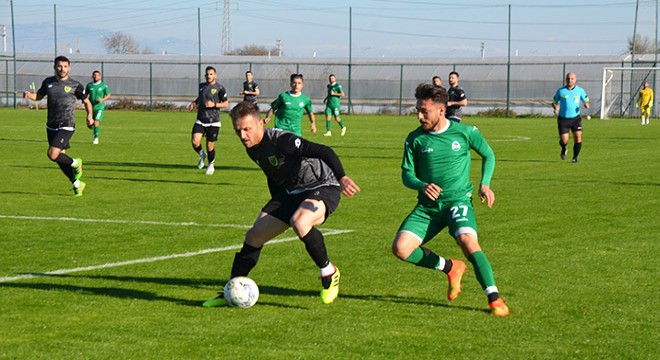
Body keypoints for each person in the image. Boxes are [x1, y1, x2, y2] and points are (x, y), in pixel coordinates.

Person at [202, 101, 361, 307]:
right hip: (290, 192)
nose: (243, 136)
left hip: (323, 185)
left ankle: (329, 272)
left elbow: (324, 151)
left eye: (247, 129)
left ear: (261, 124)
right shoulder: (252, 148)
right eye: (238, 130)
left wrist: (342, 177)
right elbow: (273, 174)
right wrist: (279, 212)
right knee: (254, 235)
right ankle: (231, 289)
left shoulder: (282, 141)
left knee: (300, 222)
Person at [391, 83, 509, 317]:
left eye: (425, 111)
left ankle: (494, 297)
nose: (419, 116)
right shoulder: (415, 139)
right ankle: (451, 267)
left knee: (466, 239)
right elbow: (407, 174)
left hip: (457, 201)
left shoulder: (465, 133)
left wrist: (485, 183)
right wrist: (421, 185)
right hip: (427, 208)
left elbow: (488, 154)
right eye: (418, 110)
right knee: (401, 249)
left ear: (441, 110)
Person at [23, 55, 93, 197]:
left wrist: (89, 116)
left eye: (65, 66)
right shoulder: (48, 82)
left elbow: (87, 102)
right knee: (59, 158)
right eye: (60, 66)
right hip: (51, 125)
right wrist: (30, 95)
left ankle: (75, 162)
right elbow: (39, 96)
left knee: (52, 154)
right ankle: (77, 184)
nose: (62, 69)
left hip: (66, 124)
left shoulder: (75, 85)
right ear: (55, 67)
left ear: (69, 68)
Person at [187, 66, 229, 175]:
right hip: (201, 119)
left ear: (215, 75)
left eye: (211, 74)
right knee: (195, 141)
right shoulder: (201, 86)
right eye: (207, 74)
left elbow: (226, 104)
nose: (209, 76)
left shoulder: (220, 88)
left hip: (213, 121)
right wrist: (194, 103)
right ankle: (202, 154)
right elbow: (200, 98)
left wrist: (214, 104)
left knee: (210, 145)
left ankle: (211, 164)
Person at [552, 72, 589, 163]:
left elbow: (586, 100)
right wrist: (555, 107)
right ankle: (564, 148)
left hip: (575, 119)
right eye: (568, 78)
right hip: (563, 119)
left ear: (575, 80)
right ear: (566, 80)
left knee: (578, 137)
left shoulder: (580, 90)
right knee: (564, 140)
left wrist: (586, 104)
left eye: (572, 79)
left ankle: (575, 158)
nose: (570, 80)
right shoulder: (561, 91)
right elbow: (554, 101)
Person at [85, 70, 111, 144]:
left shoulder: (103, 86)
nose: (96, 76)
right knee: (89, 124)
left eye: (97, 75)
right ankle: (95, 129)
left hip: (99, 107)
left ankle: (96, 138)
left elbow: (108, 95)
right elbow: (85, 95)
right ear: (92, 76)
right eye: (94, 75)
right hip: (90, 107)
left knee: (96, 122)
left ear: (100, 76)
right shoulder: (89, 85)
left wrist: (102, 99)